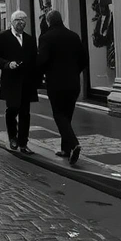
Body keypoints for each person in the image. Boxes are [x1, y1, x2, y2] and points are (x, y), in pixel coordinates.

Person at [38, 9, 89, 165]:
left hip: (56, 83)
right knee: (67, 115)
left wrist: (40, 76)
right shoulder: (74, 36)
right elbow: (84, 59)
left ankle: (73, 144)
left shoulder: (46, 38)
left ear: (49, 22)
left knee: (59, 115)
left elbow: (42, 61)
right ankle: (65, 149)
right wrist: (74, 72)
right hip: (73, 83)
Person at [0, 9, 39, 154]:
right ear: (11, 22)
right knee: (12, 109)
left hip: (27, 82)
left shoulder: (29, 39)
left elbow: (34, 59)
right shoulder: (2, 37)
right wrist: (6, 64)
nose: (21, 22)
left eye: (23, 19)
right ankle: (12, 137)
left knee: (25, 113)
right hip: (11, 81)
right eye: (18, 20)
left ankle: (23, 142)